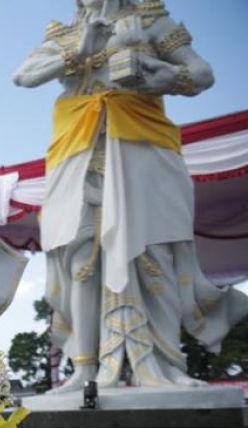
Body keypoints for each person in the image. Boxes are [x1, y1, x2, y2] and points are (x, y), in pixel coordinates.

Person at [15, 0, 248, 390]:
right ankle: (85, 368)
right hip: (78, 153)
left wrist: (162, 75)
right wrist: (78, 51)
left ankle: (165, 366)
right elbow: (23, 76)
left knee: (153, 254)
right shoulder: (65, 33)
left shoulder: (152, 20)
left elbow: (202, 73)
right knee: (81, 260)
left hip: (143, 146)